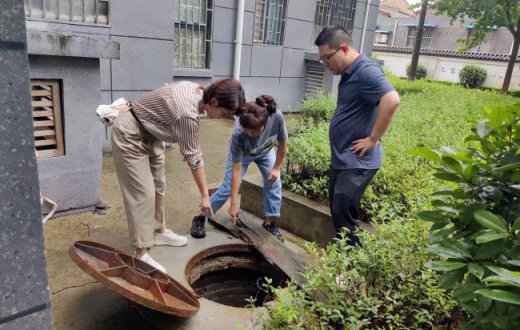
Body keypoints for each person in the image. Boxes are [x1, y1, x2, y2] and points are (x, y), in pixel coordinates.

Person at [111, 78, 246, 272]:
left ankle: (159, 231)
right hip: (130, 132)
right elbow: (194, 157)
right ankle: (140, 254)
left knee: (159, 186)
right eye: (225, 113)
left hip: (153, 131)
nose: (223, 118)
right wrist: (205, 196)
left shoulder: (198, 91)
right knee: (142, 194)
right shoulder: (187, 115)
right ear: (214, 102)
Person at [314, 26, 400, 246]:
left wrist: (373, 139)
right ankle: (345, 261)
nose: (325, 64)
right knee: (338, 212)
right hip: (345, 159)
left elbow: (391, 100)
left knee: (344, 217)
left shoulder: (365, 70)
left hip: (357, 162)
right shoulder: (350, 72)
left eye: (327, 58)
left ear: (343, 48)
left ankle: (350, 268)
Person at [191, 95, 288, 242]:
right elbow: (237, 170)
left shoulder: (277, 118)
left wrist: (276, 168)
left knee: (275, 182)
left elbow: (282, 144)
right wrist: (234, 202)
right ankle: (200, 217)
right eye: (246, 130)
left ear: (264, 124)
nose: (248, 134)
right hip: (243, 154)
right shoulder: (238, 134)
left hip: (266, 151)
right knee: (227, 188)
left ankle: (270, 223)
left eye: (252, 131)